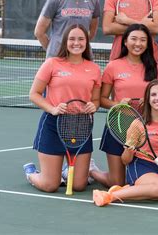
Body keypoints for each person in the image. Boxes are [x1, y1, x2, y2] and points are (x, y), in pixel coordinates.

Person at [23, 24, 101, 192]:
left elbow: (95, 100)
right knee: (50, 185)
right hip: (54, 124)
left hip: (81, 126)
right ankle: (31, 173)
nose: (76, 43)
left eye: (81, 39)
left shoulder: (94, 68)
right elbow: (34, 94)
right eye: (72, 39)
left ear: (86, 43)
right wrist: (52, 109)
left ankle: (66, 172)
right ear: (65, 42)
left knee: (79, 185)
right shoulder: (52, 63)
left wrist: (92, 106)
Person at [93, 80, 158, 206]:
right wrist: (128, 149)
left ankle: (132, 191)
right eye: (153, 95)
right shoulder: (138, 125)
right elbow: (125, 160)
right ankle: (110, 196)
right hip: (141, 167)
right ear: (148, 100)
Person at [91, 24, 158, 187]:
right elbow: (102, 99)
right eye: (134, 39)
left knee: (137, 180)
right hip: (118, 127)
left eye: (143, 40)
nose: (138, 43)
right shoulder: (113, 66)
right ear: (125, 42)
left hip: (145, 128)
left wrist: (151, 101)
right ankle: (92, 171)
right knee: (117, 183)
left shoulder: (155, 67)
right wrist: (118, 104)